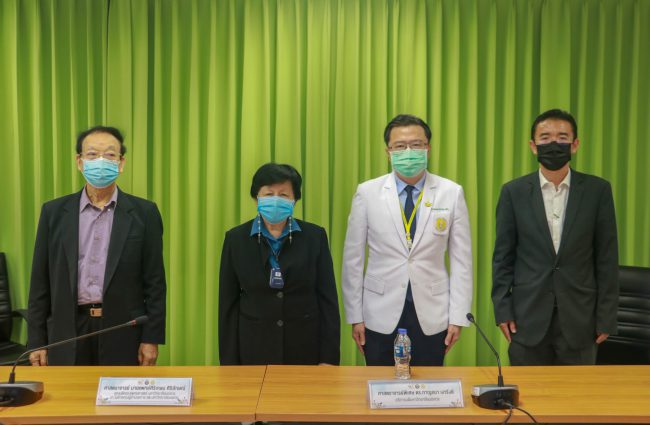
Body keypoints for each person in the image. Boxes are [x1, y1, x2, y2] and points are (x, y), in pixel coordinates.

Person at [27, 126, 166, 366]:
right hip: (66, 331)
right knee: (70, 391)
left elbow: (155, 283)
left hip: (123, 330)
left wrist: (151, 338)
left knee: (117, 391)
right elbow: (40, 282)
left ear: (121, 163)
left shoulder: (144, 213)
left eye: (110, 155)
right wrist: (37, 341)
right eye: (92, 154)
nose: (101, 161)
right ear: (79, 162)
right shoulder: (54, 213)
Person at [341, 114, 473, 366]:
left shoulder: (451, 192)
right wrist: (355, 316)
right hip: (378, 312)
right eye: (400, 146)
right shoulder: (367, 193)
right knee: (379, 384)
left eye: (416, 144)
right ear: (388, 152)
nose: (408, 152)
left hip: (433, 313)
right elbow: (352, 260)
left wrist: (458, 317)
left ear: (428, 148)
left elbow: (462, 261)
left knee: (428, 384)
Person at [492, 109, 619, 365]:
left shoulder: (597, 191)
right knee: (528, 389)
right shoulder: (513, 192)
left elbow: (607, 258)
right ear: (533, 146)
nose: (553, 144)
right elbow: (503, 258)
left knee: (578, 391)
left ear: (575, 144)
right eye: (545, 137)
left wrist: (606, 317)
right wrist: (502, 309)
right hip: (526, 318)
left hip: (581, 319)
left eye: (562, 138)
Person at [219, 163, 340, 365]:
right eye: (268, 194)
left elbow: (328, 301)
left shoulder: (315, 237)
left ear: (295, 200)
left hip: (305, 349)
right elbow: (228, 306)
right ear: (256, 198)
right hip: (253, 350)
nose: (275, 200)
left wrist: (329, 359)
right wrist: (229, 363)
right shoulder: (235, 239)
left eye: (283, 195)